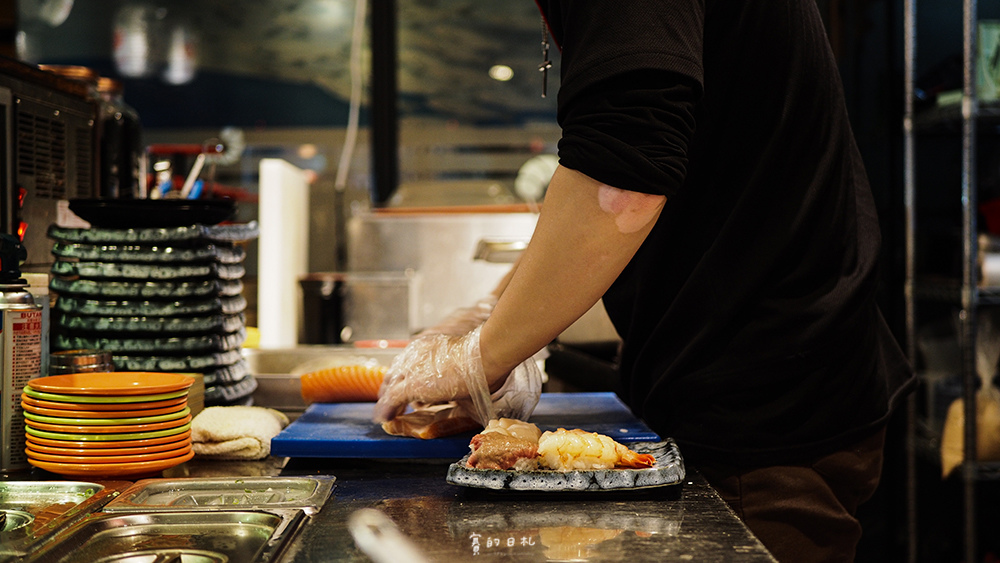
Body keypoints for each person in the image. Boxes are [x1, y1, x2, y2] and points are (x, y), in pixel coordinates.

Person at [374, 1, 916, 561]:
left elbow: (624, 182)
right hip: (750, 378)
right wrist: (493, 312)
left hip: (763, 412)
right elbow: (624, 165)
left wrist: (480, 359)